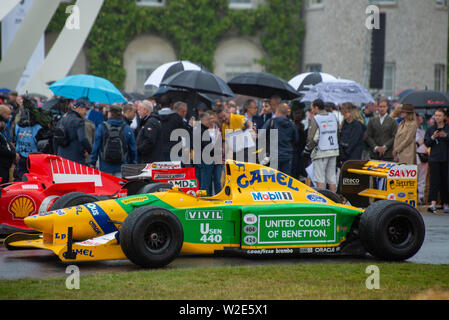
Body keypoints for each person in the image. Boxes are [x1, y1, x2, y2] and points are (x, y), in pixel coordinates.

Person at [90, 104, 137, 177]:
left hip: (105, 167)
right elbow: (133, 149)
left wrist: (92, 162)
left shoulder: (102, 127)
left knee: (106, 187)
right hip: (121, 167)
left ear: (110, 114)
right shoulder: (127, 128)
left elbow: (96, 146)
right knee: (119, 187)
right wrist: (133, 164)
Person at [304, 99, 339, 192]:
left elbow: (311, 138)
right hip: (334, 149)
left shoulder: (316, 118)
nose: (312, 111)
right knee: (332, 178)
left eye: (312, 108)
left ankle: (322, 202)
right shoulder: (333, 116)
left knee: (319, 178)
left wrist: (308, 148)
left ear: (316, 107)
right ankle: (334, 202)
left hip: (321, 151)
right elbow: (338, 133)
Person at [261, 103, 298, 175]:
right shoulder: (292, 124)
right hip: (287, 155)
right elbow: (296, 139)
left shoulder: (271, 121)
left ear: (277, 112)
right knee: (285, 179)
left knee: (273, 179)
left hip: (273, 156)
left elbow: (261, 135)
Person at [424, 108, 449, 213]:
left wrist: (446, 136)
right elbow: (427, 143)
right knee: (434, 181)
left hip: (446, 158)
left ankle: (446, 203)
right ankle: (433, 203)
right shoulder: (431, 129)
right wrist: (433, 137)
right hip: (434, 158)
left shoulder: (447, 128)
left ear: (444, 117)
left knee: (446, 181)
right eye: (436, 115)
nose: (437, 117)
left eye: (439, 115)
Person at [55, 100, 92, 165]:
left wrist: (56, 154)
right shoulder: (79, 121)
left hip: (61, 157)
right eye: (85, 110)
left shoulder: (62, 119)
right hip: (75, 159)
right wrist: (90, 151)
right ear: (79, 108)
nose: (86, 112)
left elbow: (55, 138)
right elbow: (82, 139)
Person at [14, 107, 43, 180]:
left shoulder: (18, 125)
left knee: (21, 177)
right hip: (33, 157)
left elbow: (15, 139)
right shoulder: (38, 127)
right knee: (32, 178)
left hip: (22, 155)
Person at [0, 106, 17, 184]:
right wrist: (13, 154)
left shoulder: (3, 130)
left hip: (6, 165)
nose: (9, 117)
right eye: (8, 114)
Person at [415, 112, 428, 204]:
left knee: (422, 178)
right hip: (415, 155)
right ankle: (415, 197)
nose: (419, 119)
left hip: (424, 156)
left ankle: (421, 197)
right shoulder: (411, 130)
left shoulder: (423, 130)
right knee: (415, 177)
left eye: (420, 117)